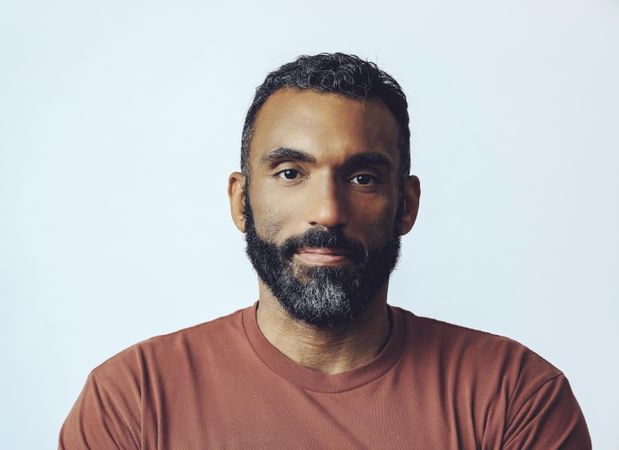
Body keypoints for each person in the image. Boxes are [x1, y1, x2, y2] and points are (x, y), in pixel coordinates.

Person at [59, 53, 591, 449]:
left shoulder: (514, 396)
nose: (328, 212)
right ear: (242, 201)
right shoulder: (134, 402)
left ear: (405, 205)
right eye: (291, 173)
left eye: (362, 177)